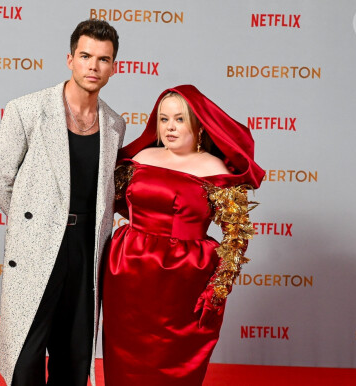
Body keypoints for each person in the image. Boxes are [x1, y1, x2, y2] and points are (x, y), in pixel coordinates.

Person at [0, 19, 125, 386]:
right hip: (38, 244)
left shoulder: (114, 123)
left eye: (103, 59)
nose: (93, 66)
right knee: (26, 356)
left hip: (86, 249)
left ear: (114, 67)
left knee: (75, 355)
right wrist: (35, 222)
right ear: (70, 59)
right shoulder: (27, 109)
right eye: (86, 56)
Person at [102, 85, 264, 385]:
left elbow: (237, 235)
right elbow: (108, 204)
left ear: (198, 124)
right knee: (124, 355)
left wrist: (218, 288)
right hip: (127, 270)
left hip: (184, 277)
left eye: (179, 119)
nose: (170, 127)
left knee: (173, 361)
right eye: (163, 119)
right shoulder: (141, 158)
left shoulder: (214, 169)